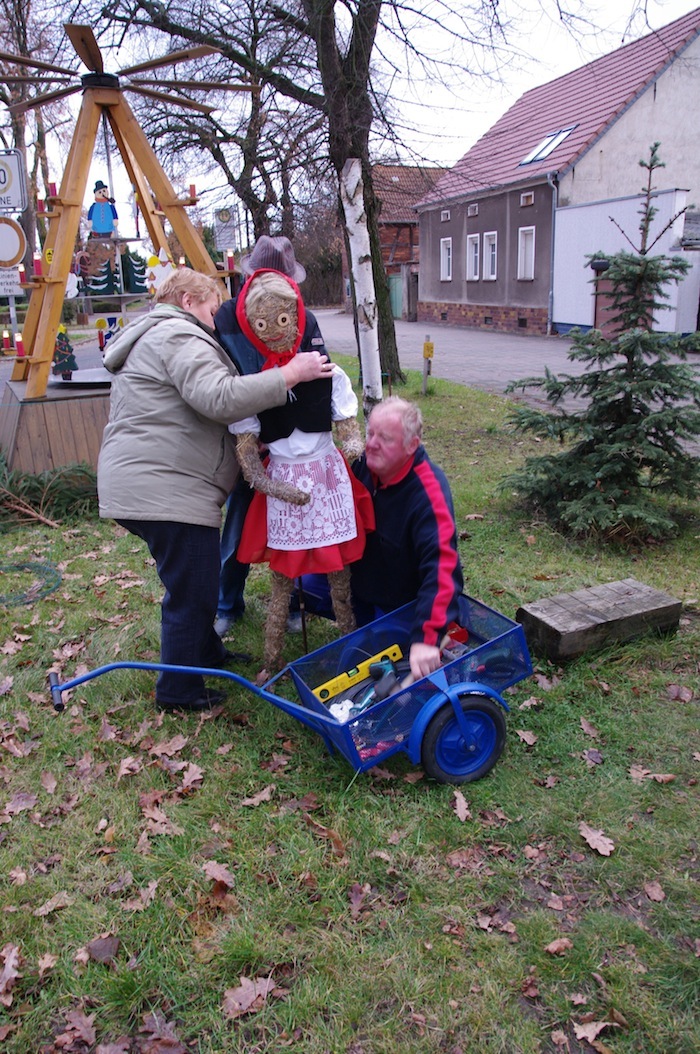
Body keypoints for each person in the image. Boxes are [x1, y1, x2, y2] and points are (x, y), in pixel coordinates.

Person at [97, 267, 332, 712]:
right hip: (165, 489)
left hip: (151, 481)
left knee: (192, 580)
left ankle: (205, 655)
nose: (215, 317)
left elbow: (194, 410)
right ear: (188, 300)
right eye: (210, 306)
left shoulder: (160, 336)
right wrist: (291, 375)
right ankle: (178, 691)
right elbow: (218, 397)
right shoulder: (178, 336)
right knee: (193, 590)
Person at [227, 267, 372, 673]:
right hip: (284, 479)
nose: (274, 329)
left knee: (339, 571)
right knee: (281, 578)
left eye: (283, 318)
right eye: (261, 323)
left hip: (326, 474)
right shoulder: (257, 386)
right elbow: (245, 443)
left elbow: (346, 420)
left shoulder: (329, 373)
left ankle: (350, 646)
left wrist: (352, 441)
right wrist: (259, 477)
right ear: (251, 327)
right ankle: (272, 661)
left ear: (297, 315)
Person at [292, 396, 464, 682]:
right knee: (306, 585)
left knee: (375, 655)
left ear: (412, 446)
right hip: (359, 580)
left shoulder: (429, 493)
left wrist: (427, 637)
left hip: (399, 598)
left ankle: (382, 628)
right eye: (370, 433)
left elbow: (443, 569)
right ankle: (359, 618)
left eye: (384, 438)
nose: (371, 443)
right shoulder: (362, 465)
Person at [213, 235, 329, 638]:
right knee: (237, 527)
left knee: (302, 525)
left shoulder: (305, 318)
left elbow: (318, 380)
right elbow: (220, 381)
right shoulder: (225, 319)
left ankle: (298, 601)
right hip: (244, 439)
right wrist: (247, 436)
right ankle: (227, 603)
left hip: (290, 445)